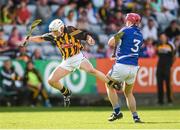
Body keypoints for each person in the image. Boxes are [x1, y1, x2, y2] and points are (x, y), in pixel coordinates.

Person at [22, 18, 119, 107]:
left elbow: (84, 35)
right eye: (53, 32)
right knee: (51, 81)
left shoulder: (70, 30)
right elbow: (41, 38)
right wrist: (29, 39)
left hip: (78, 57)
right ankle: (66, 92)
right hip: (66, 61)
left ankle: (111, 83)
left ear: (61, 28)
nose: (54, 33)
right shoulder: (54, 36)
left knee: (91, 70)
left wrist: (89, 39)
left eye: (55, 31)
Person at [106, 13, 143, 123]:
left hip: (122, 65)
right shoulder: (140, 35)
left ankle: (117, 111)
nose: (126, 22)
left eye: (127, 20)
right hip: (134, 67)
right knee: (128, 93)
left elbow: (110, 42)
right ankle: (135, 117)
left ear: (130, 21)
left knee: (108, 83)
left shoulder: (125, 30)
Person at [156, 33, 176, 105]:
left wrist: (170, 64)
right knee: (159, 84)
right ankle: (160, 101)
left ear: (166, 38)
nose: (162, 38)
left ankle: (169, 100)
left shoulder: (170, 45)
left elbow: (174, 55)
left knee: (168, 84)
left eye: (164, 37)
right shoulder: (158, 45)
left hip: (167, 67)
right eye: (161, 37)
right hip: (160, 67)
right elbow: (156, 54)